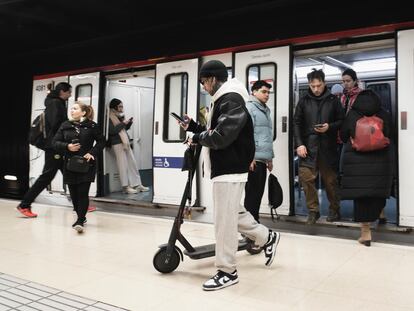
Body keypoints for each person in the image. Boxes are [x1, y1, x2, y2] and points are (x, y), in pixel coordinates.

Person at [181, 60, 280, 291]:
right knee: (234, 214)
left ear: (213, 78)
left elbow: (222, 136)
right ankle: (267, 237)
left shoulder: (231, 99)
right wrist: (194, 127)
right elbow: (216, 131)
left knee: (224, 222)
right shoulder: (224, 99)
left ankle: (227, 271)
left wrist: (196, 137)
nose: (204, 87)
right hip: (227, 167)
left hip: (230, 167)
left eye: (204, 82)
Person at [339, 90, 392, 246]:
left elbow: (342, 136)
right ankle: (381, 214)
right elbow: (390, 133)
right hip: (380, 161)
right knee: (377, 192)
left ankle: (366, 233)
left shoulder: (352, 115)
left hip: (357, 164)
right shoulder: (384, 114)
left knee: (361, 197)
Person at [293, 69, 344, 224]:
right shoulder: (303, 100)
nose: (316, 89)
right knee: (307, 179)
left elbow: (342, 121)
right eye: (312, 85)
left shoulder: (333, 100)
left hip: (327, 148)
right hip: (308, 147)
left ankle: (335, 210)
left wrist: (330, 127)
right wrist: (299, 144)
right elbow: (296, 123)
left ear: (324, 83)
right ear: (309, 84)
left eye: (319, 85)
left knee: (330, 182)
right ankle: (313, 211)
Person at [16, 82, 72, 218]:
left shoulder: (54, 102)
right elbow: (56, 125)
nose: (70, 95)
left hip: (56, 145)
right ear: (63, 92)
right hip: (54, 147)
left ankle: (81, 204)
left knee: (69, 174)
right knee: (47, 176)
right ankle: (24, 205)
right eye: (69, 92)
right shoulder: (56, 103)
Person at [53, 102, 105, 233]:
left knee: (82, 193)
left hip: (86, 164)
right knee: (74, 194)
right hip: (70, 165)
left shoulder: (92, 125)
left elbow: (102, 141)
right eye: (71, 108)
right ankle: (80, 214)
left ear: (83, 113)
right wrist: (67, 147)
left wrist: (92, 152)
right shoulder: (65, 125)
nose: (72, 110)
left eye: (75, 109)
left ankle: (80, 219)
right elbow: (55, 143)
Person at [244, 80, 274, 223]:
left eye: (268, 92)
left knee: (258, 194)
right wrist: (249, 157)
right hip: (253, 159)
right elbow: (246, 134)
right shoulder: (250, 108)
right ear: (254, 92)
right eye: (264, 91)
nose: (267, 95)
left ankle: (253, 223)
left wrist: (269, 158)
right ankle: (249, 226)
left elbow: (266, 136)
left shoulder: (264, 109)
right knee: (252, 195)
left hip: (262, 159)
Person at [108, 98, 149, 194]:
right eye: (120, 106)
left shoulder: (119, 116)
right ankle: (125, 187)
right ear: (114, 107)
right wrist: (123, 123)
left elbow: (123, 129)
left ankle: (137, 184)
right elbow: (112, 131)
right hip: (117, 143)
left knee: (132, 163)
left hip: (125, 142)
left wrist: (128, 124)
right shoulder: (109, 117)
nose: (122, 108)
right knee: (123, 165)